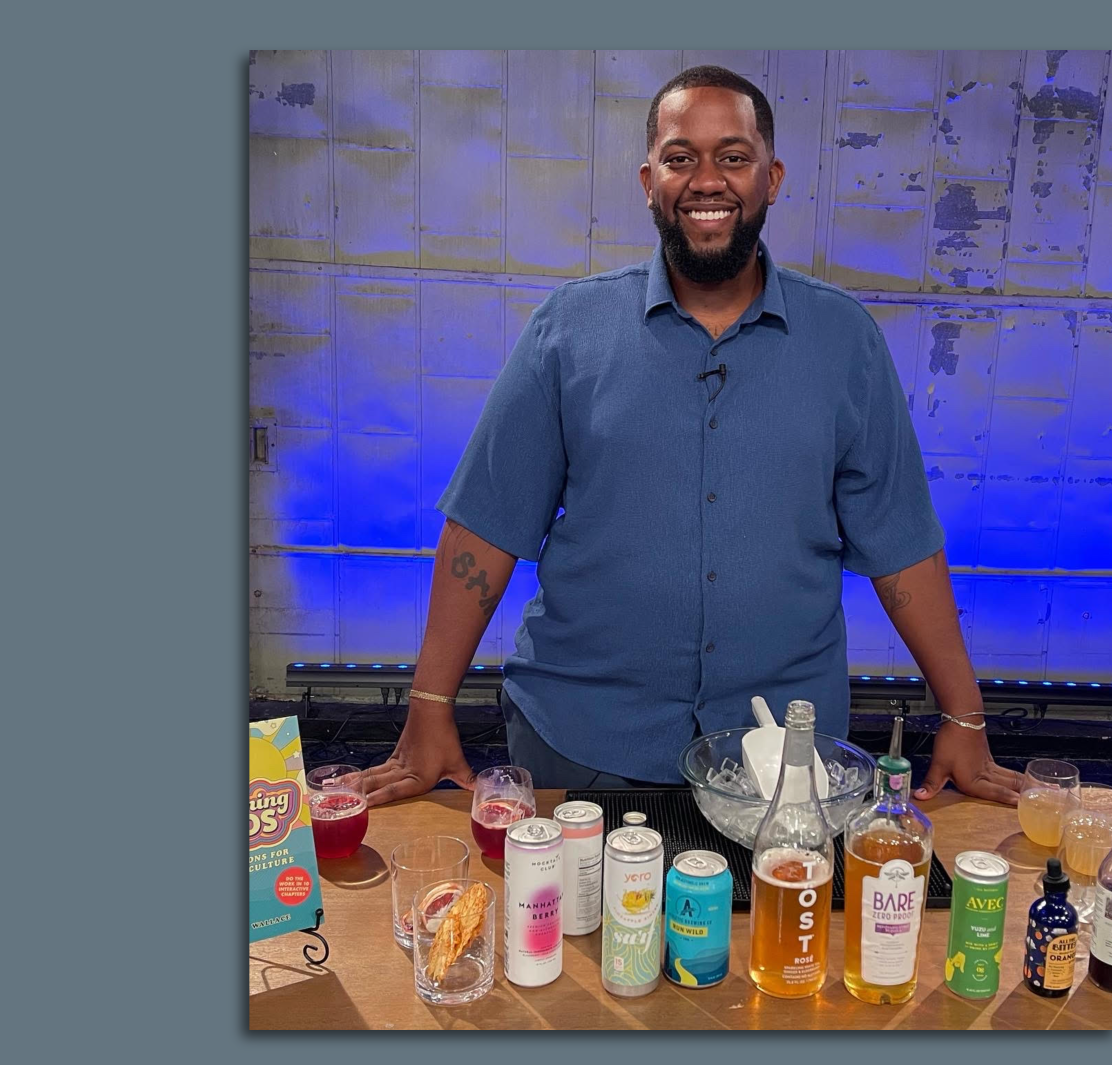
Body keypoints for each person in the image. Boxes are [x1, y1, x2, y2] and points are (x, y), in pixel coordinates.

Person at [357, 65, 1025, 808]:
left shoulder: (845, 342)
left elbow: (902, 545)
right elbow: (484, 528)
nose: (707, 180)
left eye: (733, 157)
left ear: (771, 179)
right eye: (681, 158)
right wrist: (427, 705)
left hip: (780, 765)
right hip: (579, 741)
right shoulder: (566, 332)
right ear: (649, 181)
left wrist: (964, 716)